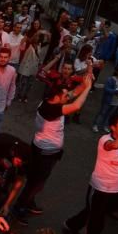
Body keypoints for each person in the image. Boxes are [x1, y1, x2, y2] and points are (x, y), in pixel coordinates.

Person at [16, 72, 94, 217]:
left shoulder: (51, 102)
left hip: (47, 151)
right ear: (57, 97)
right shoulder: (51, 109)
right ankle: (20, 208)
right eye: (65, 96)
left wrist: (85, 82)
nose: (67, 97)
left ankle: (28, 201)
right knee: (36, 183)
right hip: (44, 153)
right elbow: (76, 106)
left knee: (36, 181)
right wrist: (88, 88)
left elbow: (74, 93)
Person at [91, 64, 118, 133]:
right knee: (102, 113)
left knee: (110, 114)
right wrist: (115, 91)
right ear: (117, 72)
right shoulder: (111, 79)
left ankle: (104, 125)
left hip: (117, 101)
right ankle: (96, 124)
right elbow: (106, 89)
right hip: (108, 100)